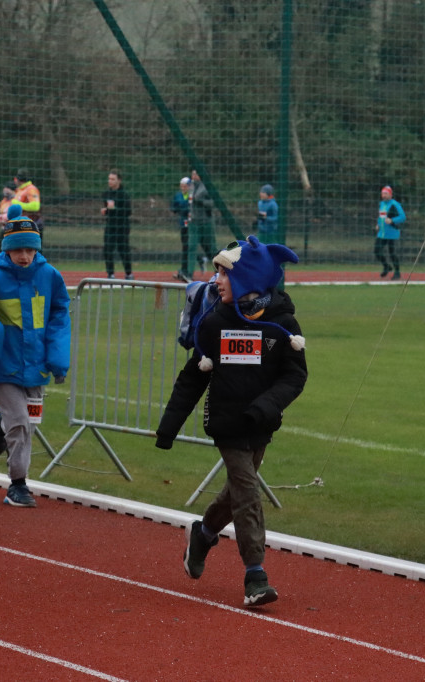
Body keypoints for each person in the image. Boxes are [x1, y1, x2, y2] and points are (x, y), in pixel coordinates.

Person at [155, 235, 308, 607]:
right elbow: (194, 376)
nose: (215, 281)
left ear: (248, 280)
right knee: (247, 492)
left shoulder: (283, 325)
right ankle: (255, 575)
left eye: (223, 274)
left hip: (261, 423)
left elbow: (294, 377)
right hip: (225, 422)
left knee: (237, 492)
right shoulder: (214, 323)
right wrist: (169, 425)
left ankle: (204, 533)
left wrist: (265, 407)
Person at [0, 214, 71, 507]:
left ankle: (0, 423)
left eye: (29, 249)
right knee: (21, 423)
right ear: (6, 249)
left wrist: (57, 355)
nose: (24, 256)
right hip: (4, 365)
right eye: (17, 249)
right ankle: (18, 484)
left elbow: (60, 312)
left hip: (36, 367)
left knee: (28, 424)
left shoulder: (50, 275)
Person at [100, 169, 132, 279]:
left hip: (122, 226)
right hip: (110, 225)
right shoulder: (106, 193)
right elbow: (108, 209)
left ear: (119, 180)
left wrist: (115, 209)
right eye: (109, 179)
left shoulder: (124, 195)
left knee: (123, 249)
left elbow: (128, 211)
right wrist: (106, 210)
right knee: (108, 248)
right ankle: (110, 273)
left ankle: (128, 273)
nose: (110, 181)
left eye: (113, 179)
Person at [186, 169, 217, 278]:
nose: (193, 175)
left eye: (196, 173)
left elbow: (213, 203)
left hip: (206, 222)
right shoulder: (191, 186)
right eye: (193, 173)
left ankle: (218, 271)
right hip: (194, 223)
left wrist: (201, 201)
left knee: (211, 248)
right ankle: (189, 274)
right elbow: (189, 201)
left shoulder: (207, 186)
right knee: (191, 247)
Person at [374, 185, 405, 279]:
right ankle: (386, 266)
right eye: (382, 193)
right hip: (382, 233)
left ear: (390, 194)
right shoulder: (382, 204)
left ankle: (397, 272)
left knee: (392, 253)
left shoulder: (395, 204)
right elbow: (381, 217)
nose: (384, 195)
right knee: (377, 251)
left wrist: (392, 220)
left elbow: (402, 217)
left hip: (392, 233)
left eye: (386, 193)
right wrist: (378, 224)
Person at [170, 177, 192, 282]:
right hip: (183, 224)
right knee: (185, 246)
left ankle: (190, 268)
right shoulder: (178, 195)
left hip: (193, 224)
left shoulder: (193, 195)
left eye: (185, 186)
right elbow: (173, 207)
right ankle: (184, 270)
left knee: (190, 246)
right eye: (182, 186)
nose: (183, 188)